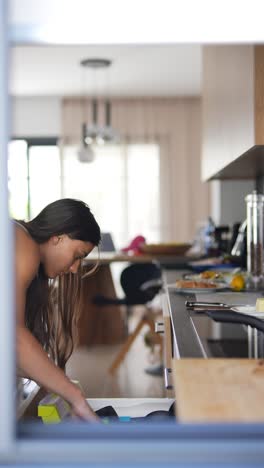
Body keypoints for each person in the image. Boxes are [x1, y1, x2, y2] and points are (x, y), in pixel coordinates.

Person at [15, 198, 101, 421]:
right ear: (58, 237)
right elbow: (13, 337)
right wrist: (76, 397)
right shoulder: (23, 246)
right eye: (77, 256)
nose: (74, 269)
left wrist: (54, 382)